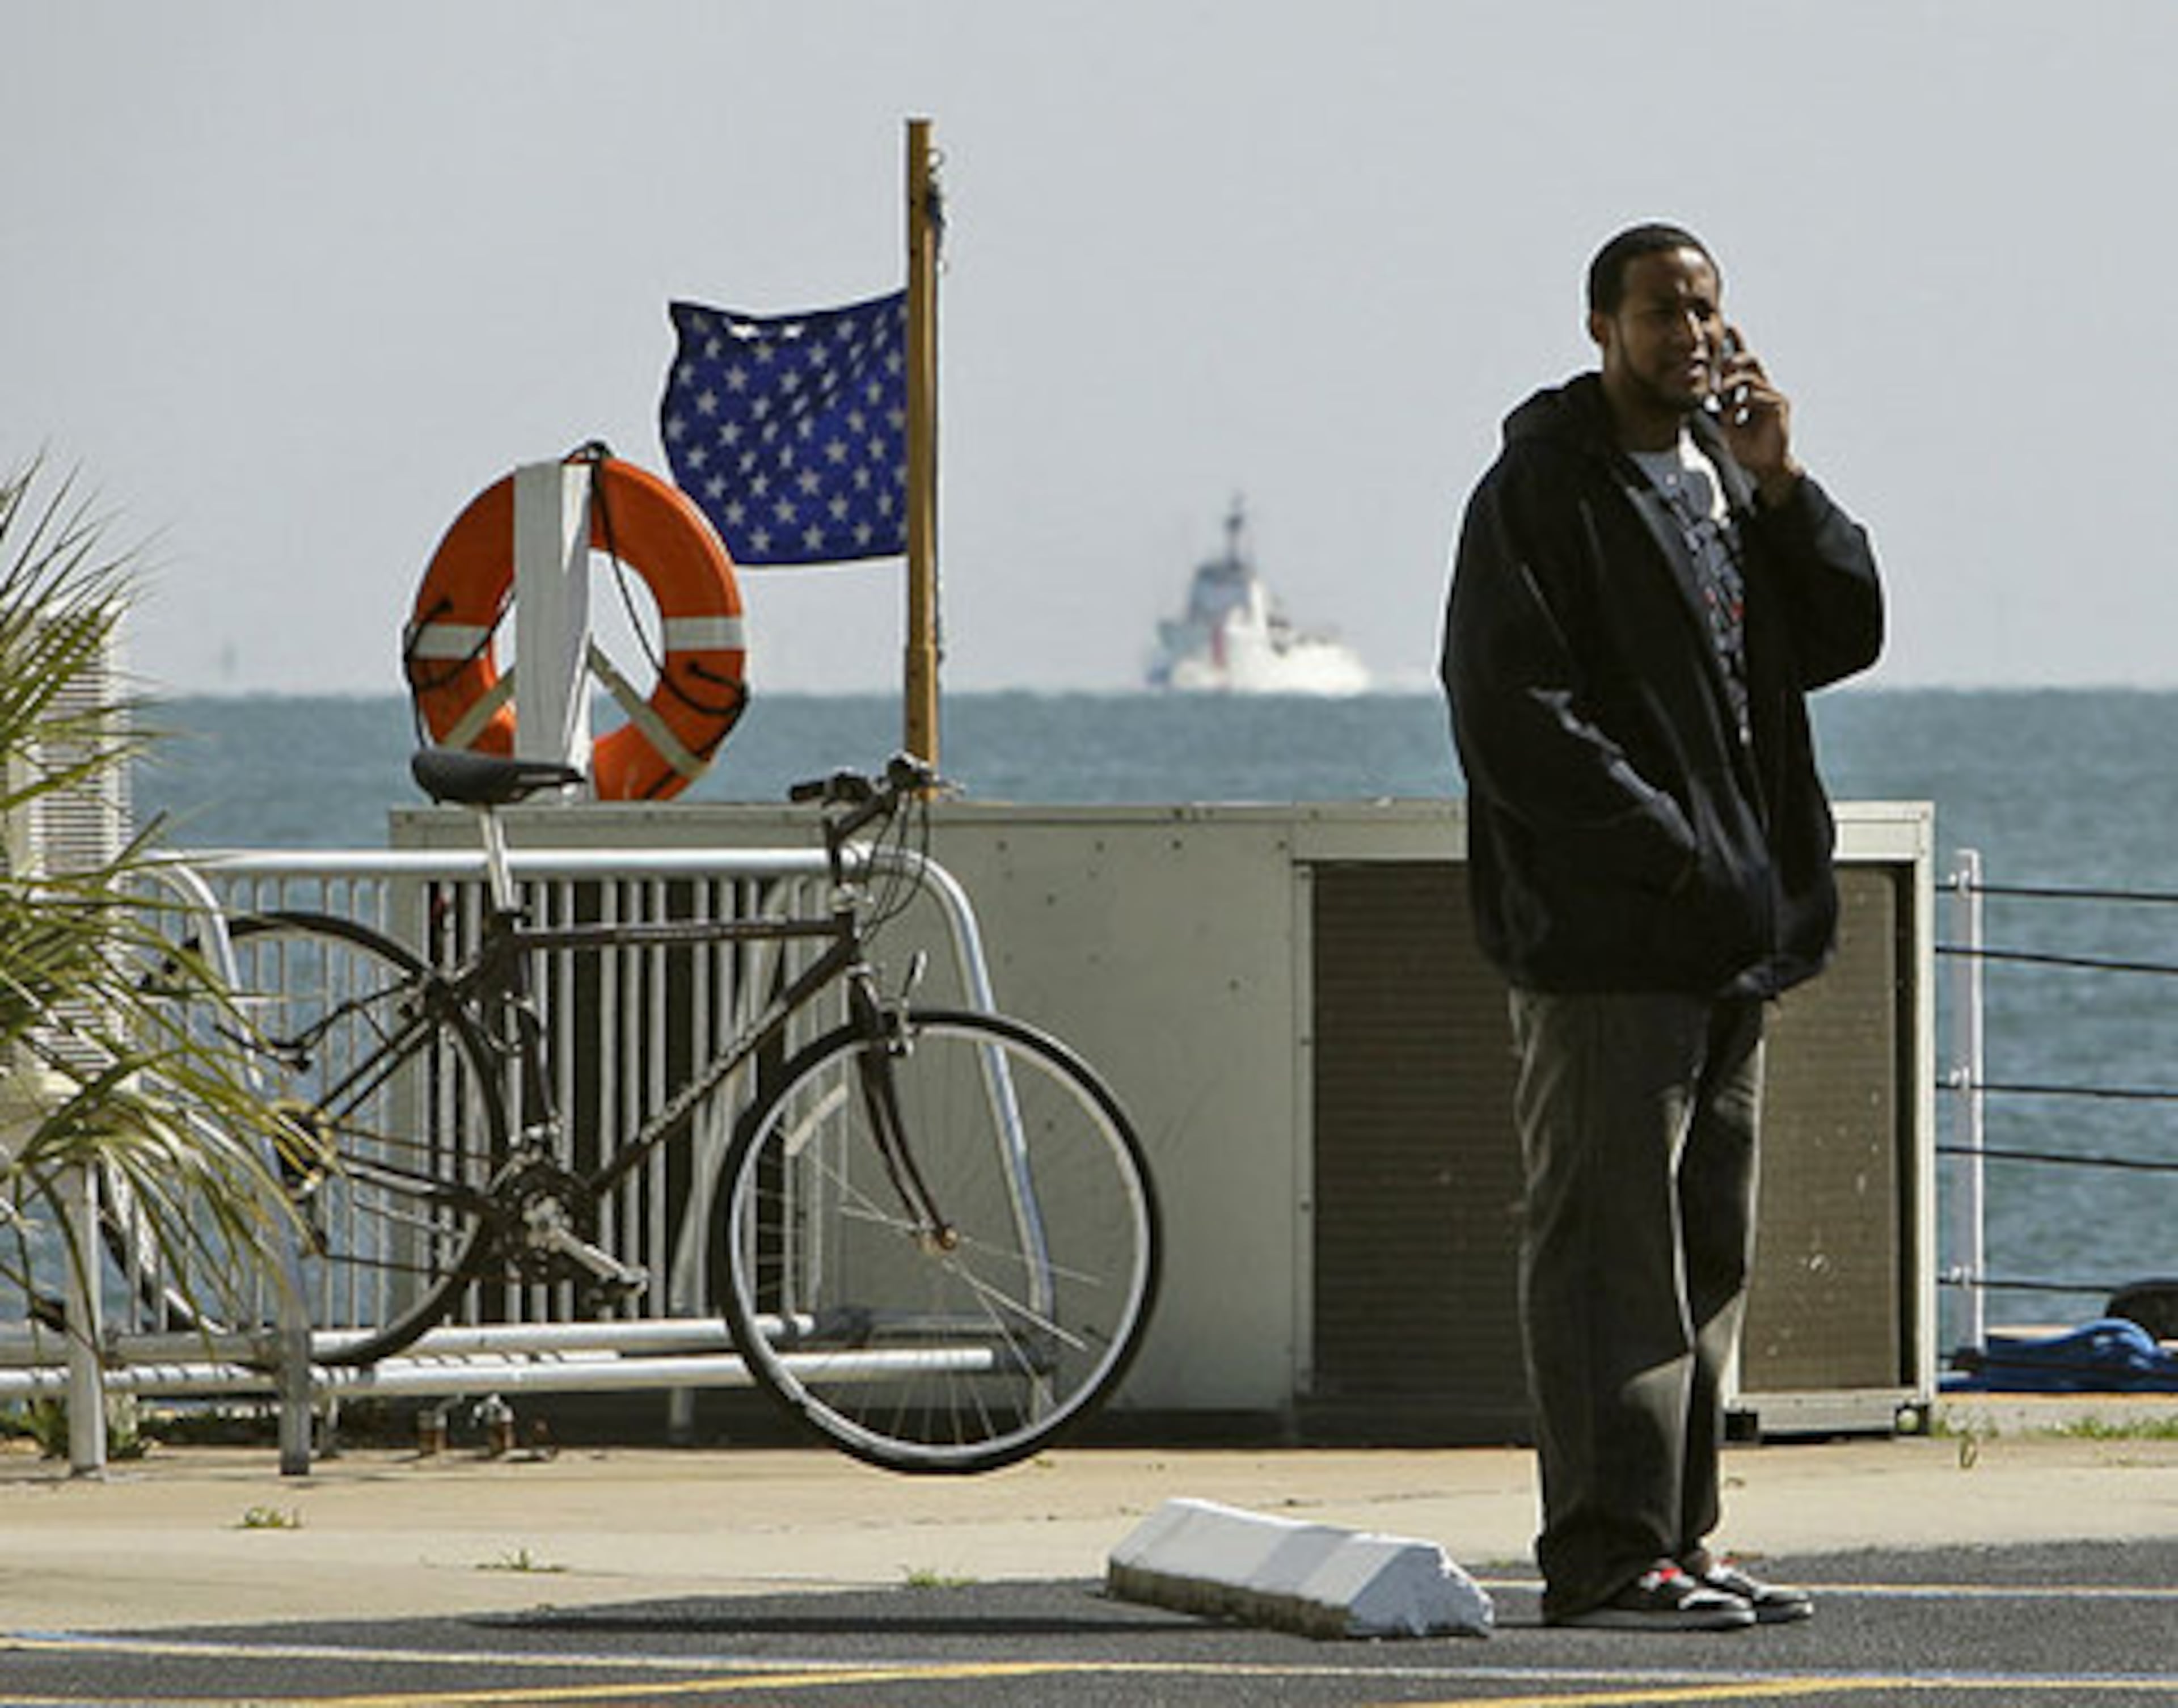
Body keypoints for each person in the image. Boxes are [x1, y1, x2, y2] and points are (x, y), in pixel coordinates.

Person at [1440, 223, 1883, 1632]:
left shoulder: (1722, 490)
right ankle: (1605, 1555)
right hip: (1608, 943)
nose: (1690, 336)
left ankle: (1681, 1538)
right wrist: (1674, 851)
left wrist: (1785, 484)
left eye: (1705, 310)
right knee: (1604, 1257)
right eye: (1659, 313)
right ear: (1600, 328)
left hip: (1728, 939)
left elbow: (1844, 634)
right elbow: (1514, 712)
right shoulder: (1540, 495)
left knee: (1704, 1255)